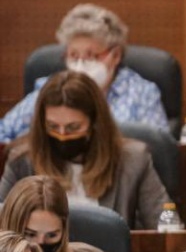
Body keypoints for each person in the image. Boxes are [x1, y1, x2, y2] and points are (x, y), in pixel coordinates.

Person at [0, 71, 171, 230]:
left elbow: (165, 227)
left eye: (73, 127)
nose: (62, 135)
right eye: (52, 126)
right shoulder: (21, 160)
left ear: (95, 123)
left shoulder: (133, 160)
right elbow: (4, 230)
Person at [1, 3, 167, 142]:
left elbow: (160, 151)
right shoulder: (49, 88)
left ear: (115, 55)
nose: (80, 64)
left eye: (91, 56)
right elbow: (4, 133)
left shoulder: (142, 93)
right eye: (73, 55)